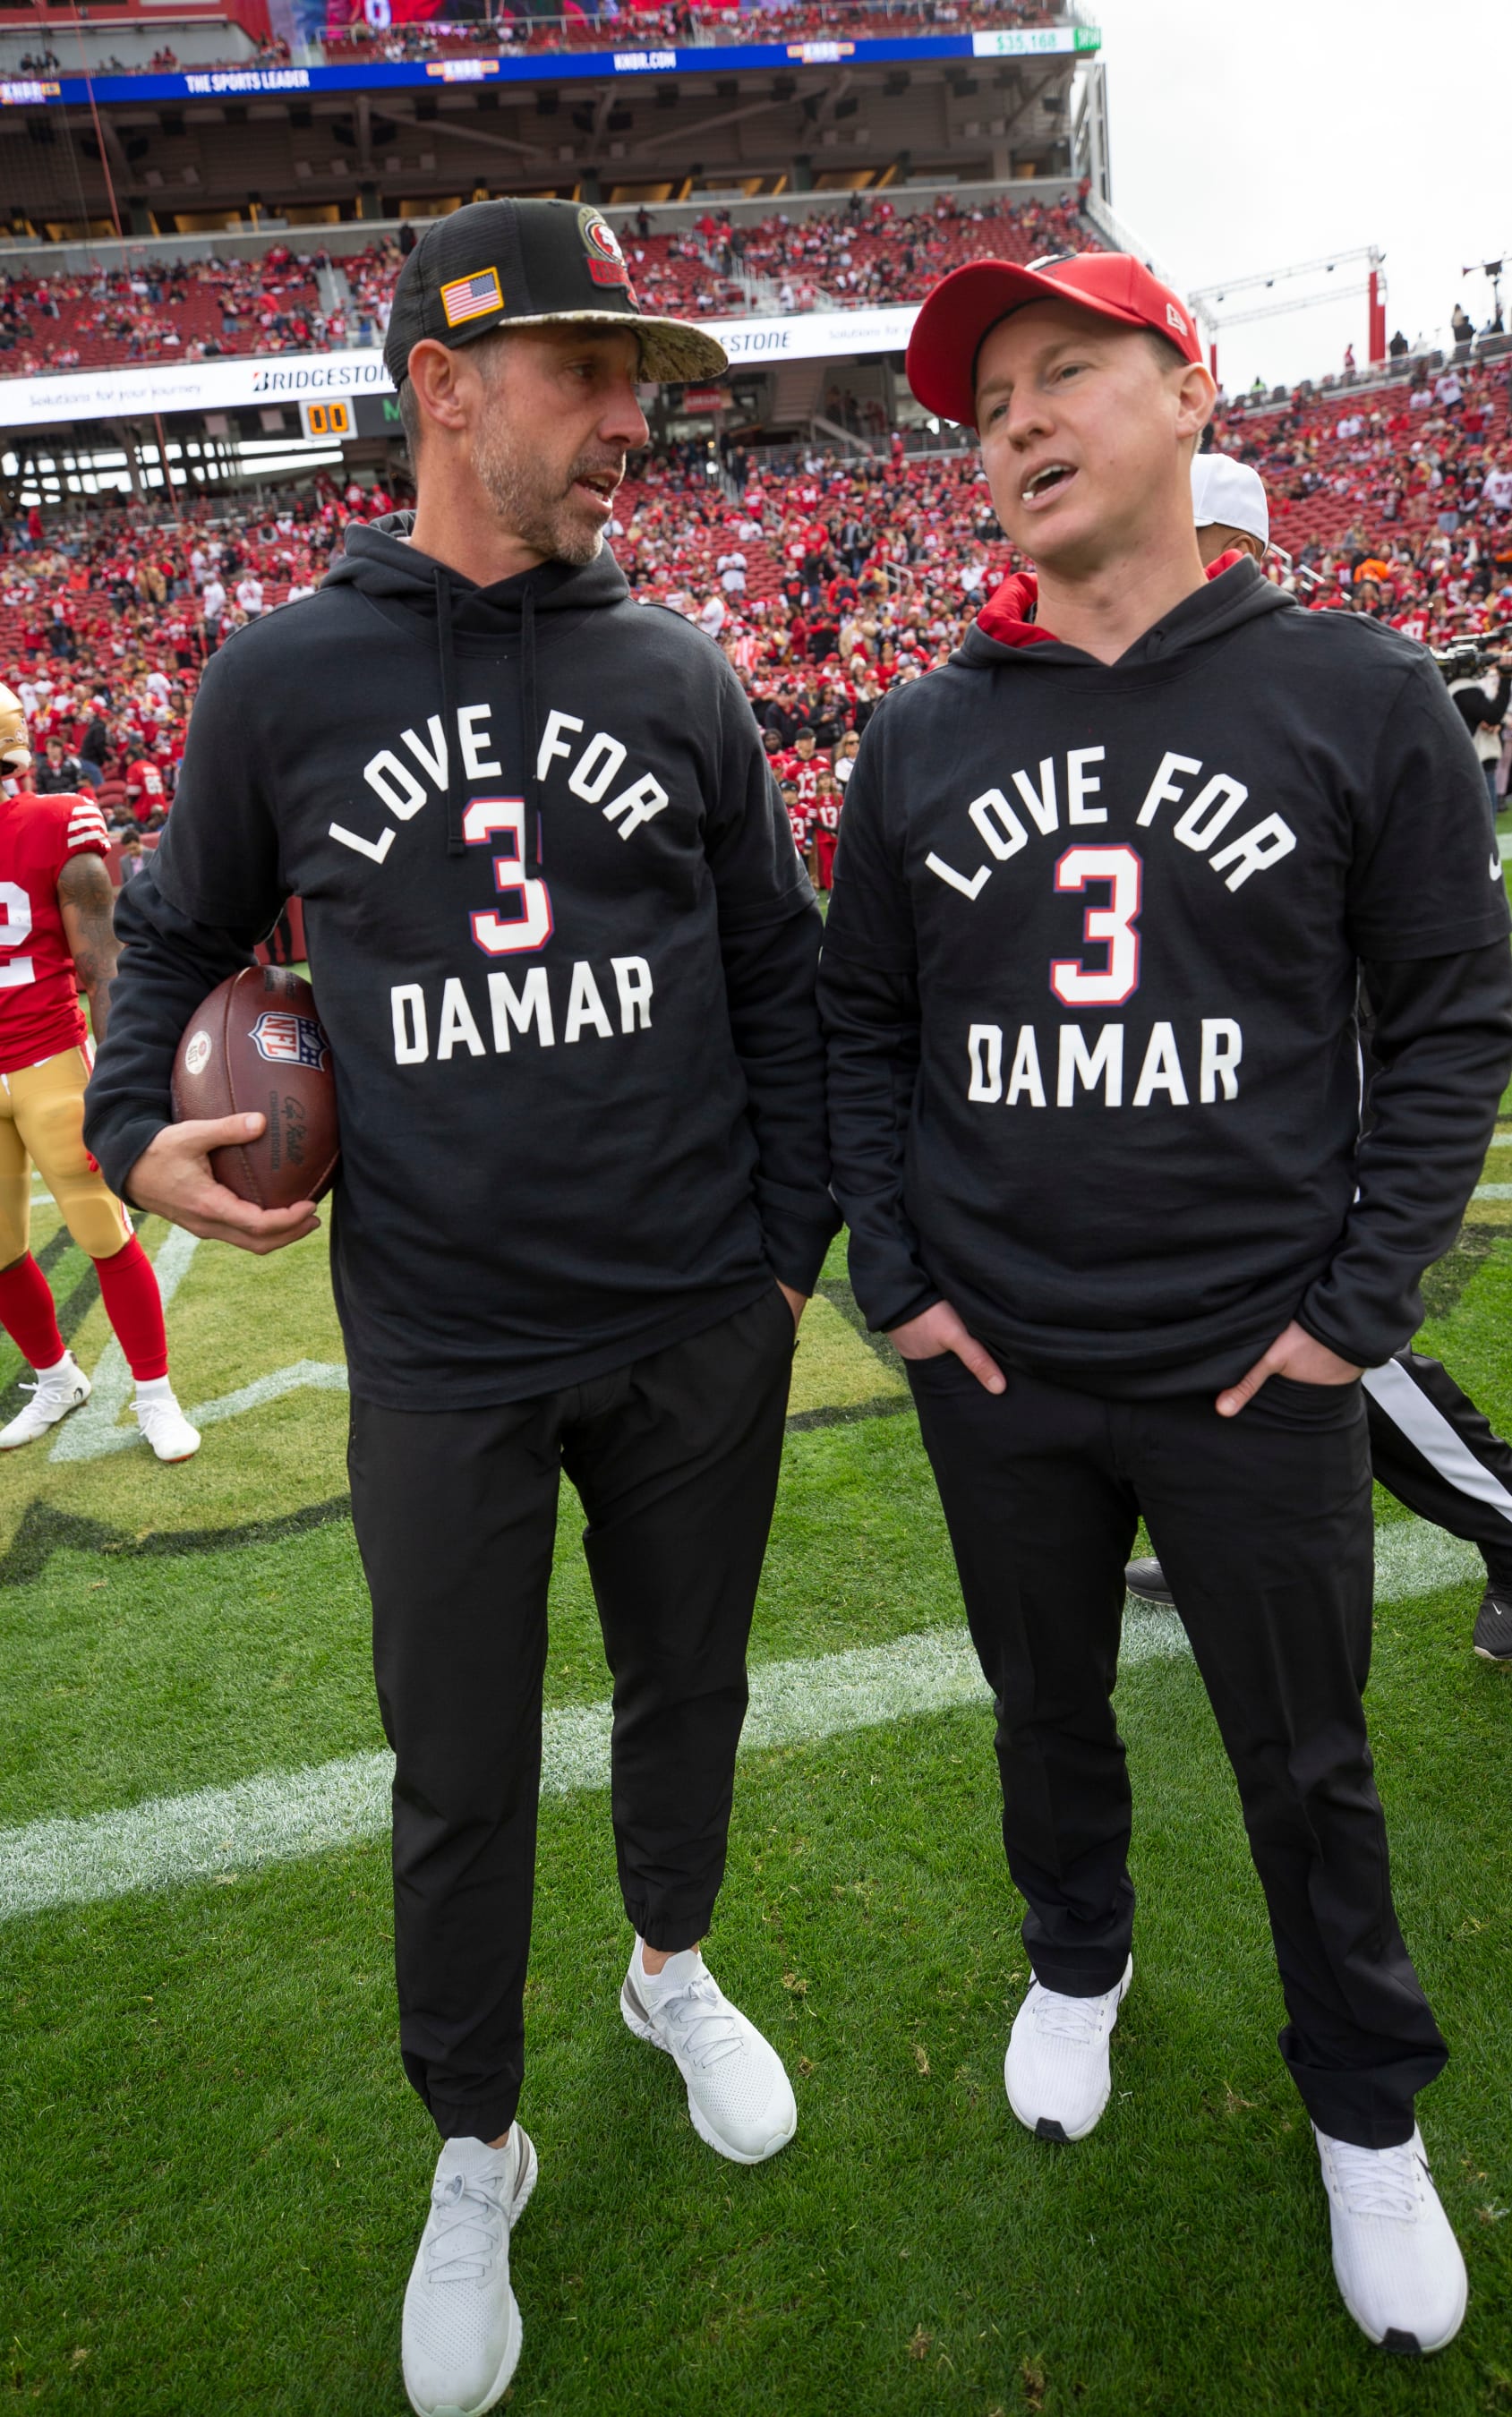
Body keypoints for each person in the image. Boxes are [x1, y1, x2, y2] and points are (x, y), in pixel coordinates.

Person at [84, 197, 837, 2417]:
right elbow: (167, 943)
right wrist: (142, 1127)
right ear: (444, 385)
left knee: (687, 1690)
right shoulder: (280, 677)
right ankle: (471, 2136)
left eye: (640, 378)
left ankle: (666, 1965)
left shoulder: (682, 670)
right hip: (445, 1349)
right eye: (589, 375)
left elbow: (782, 978)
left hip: (697, 1311)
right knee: (459, 1772)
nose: (634, 418)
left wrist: (782, 1260)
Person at [820, 249, 1512, 2357]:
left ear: (1189, 394)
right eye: (984, 406)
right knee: (1046, 1710)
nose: (1012, 424)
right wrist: (899, 1275)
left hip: (1255, 1369)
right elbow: (862, 1022)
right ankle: (1077, 1950)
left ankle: (1365, 2113)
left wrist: (1354, 1304)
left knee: (1307, 1758)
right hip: (1000, 1364)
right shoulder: (923, 727)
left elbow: (1457, 1004)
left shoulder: (1355, 689)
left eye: (1057, 377)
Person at [1125, 465, 1512, 1665]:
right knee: (1184, 1342)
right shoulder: (1168, 684)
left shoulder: (1340, 684)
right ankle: (1210, 1546)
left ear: (1228, 543)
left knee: (1349, 1355)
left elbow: (1433, 965)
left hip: (1301, 1094)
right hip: (1194, 1092)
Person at [0, 688, 197, 1460]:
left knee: (100, 1230)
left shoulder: (55, 821)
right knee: (0, 1247)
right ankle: (55, 1377)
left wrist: (125, 1075)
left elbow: (101, 961)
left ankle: (154, 1393)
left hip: (47, 1053)